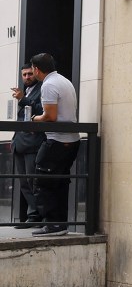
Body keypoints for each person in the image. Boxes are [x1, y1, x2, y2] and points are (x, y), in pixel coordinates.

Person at [27, 53, 80, 235]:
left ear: (36, 69)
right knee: (60, 182)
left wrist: (34, 118)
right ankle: (59, 224)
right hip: (71, 141)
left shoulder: (49, 85)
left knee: (43, 181)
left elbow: (50, 116)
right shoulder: (64, 81)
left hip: (57, 140)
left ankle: (53, 225)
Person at [10, 65, 45, 225]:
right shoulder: (26, 91)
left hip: (33, 143)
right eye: (24, 74)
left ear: (36, 73)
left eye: (30, 74)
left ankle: (37, 215)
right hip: (19, 143)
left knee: (33, 181)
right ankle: (33, 215)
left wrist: (23, 99)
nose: (27, 77)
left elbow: (42, 111)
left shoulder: (43, 88)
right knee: (24, 183)